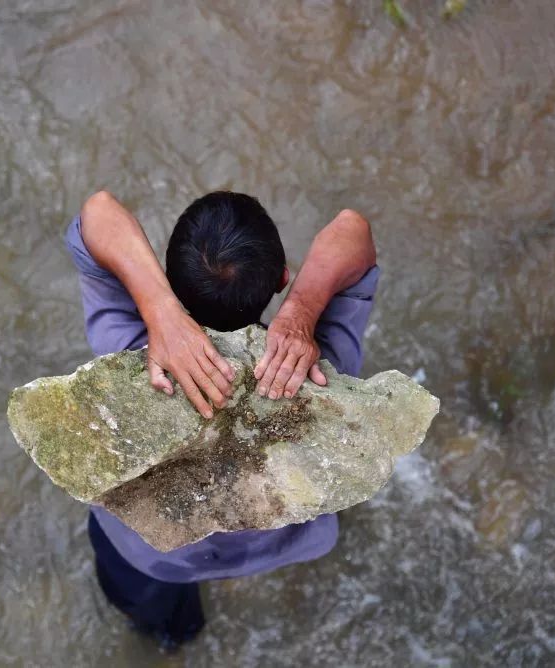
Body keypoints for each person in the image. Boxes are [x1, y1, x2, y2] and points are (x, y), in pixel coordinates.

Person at [66, 190, 379, 650]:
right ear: (283, 279)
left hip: (155, 555)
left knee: (161, 622)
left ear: (167, 282)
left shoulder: (132, 356)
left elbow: (97, 212)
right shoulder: (316, 366)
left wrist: (161, 314)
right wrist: (302, 311)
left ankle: (174, 641)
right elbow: (353, 228)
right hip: (288, 540)